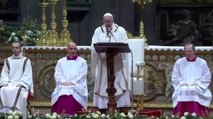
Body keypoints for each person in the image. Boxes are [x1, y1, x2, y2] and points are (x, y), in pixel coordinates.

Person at [91, 12, 131, 112]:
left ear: (113, 21)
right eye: (106, 21)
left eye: (109, 21)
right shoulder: (98, 31)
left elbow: (125, 44)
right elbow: (93, 46)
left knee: (118, 81)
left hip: (117, 62)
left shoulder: (120, 30)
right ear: (103, 21)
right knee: (103, 82)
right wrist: (100, 52)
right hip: (103, 62)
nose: (107, 23)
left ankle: (120, 105)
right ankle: (103, 106)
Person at [172, 43, 212, 116]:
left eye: (190, 51)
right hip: (183, 85)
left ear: (194, 51)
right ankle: (180, 115)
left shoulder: (202, 62)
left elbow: (207, 76)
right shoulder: (179, 62)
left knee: (194, 89)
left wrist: (198, 83)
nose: (188, 53)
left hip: (197, 85)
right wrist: (181, 82)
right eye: (186, 51)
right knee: (182, 89)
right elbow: (175, 75)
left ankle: (197, 114)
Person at [51, 42, 88, 115]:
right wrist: (63, 82)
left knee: (71, 96)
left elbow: (82, 75)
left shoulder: (82, 62)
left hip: (76, 85)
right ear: (67, 50)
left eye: (75, 49)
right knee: (62, 95)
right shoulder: (61, 61)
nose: (73, 51)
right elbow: (58, 73)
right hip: (63, 85)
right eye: (71, 49)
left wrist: (73, 82)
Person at [0, 41, 34, 113]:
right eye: (13, 48)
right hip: (10, 83)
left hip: (21, 83)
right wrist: (5, 82)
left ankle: (18, 113)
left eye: (16, 48)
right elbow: (4, 73)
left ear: (20, 49)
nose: (14, 49)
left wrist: (22, 83)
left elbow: (27, 74)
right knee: (2, 89)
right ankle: (5, 113)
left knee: (20, 91)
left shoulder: (26, 60)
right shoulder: (8, 60)